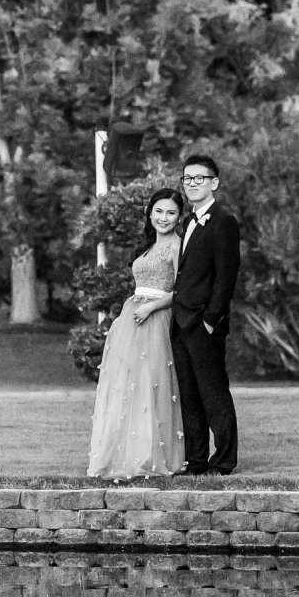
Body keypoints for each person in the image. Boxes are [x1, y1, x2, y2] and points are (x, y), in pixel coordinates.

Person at [87, 188, 188, 479]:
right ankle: (125, 454)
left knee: (153, 384)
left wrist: (152, 307)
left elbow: (181, 289)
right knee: (129, 387)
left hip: (156, 318)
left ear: (179, 216)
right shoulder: (146, 247)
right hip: (133, 318)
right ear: (150, 213)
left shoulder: (176, 247)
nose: (164, 218)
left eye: (170, 212)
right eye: (158, 211)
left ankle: (155, 456)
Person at [171, 153, 241, 475]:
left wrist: (212, 320)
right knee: (189, 395)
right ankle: (195, 460)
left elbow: (226, 276)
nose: (192, 184)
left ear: (214, 182)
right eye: (187, 179)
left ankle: (224, 460)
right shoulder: (188, 221)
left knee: (214, 393)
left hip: (203, 324)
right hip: (181, 322)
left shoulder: (223, 221)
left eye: (199, 178)